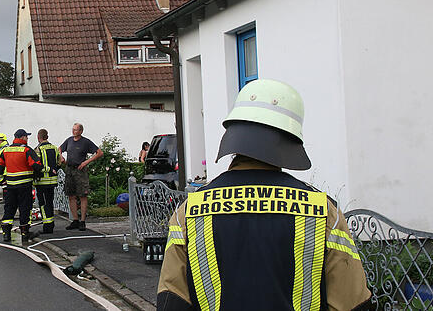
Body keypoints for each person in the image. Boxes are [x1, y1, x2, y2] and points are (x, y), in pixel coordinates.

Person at [156, 79, 371, 310]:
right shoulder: (323, 211)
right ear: (289, 140)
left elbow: (171, 301)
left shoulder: (189, 212)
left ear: (234, 134)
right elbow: (352, 302)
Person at [0, 129, 42, 242]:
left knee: (9, 209)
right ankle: (24, 233)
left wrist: (2, 182)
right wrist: (39, 174)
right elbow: (37, 165)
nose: (27, 139)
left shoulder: (6, 150)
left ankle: (6, 234)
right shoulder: (26, 150)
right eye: (26, 137)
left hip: (10, 186)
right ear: (22, 137)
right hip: (24, 186)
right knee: (25, 209)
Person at [59, 123, 103, 231]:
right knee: (71, 195)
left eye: (76, 130)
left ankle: (82, 220)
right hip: (69, 169)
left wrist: (86, 162)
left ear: (81, 131)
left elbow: (99, 153)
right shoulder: (69, 140)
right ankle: (75, 220)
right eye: (73, 129)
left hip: (80, 170)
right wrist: (61, 157)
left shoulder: (85, 142)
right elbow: (59, 148)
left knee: (83, 195)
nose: (73, 131)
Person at [33, 129, 60, 234]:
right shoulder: (54, 148)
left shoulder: (38, 149)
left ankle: (47, 226)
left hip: (42, 182)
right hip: (52, 181)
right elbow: (60, 161)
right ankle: (51, 223)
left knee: (43, 204)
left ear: (38, 137)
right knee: (50, 202)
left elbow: (37, 165)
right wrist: (54, 170)